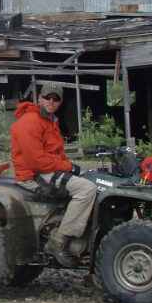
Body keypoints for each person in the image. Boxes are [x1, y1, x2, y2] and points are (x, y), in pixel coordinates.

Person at [10, 82, 97, 267]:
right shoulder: (30, 121)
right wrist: (68, 167)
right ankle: (58, 242)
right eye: (48, 97)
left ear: (60, 102)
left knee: (92, 178)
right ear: (40, 98)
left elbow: (57, 153)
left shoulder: (49, 120)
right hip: (34, 174)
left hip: (47, 169)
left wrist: (68, 166)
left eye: (56, 98)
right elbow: (37, 161)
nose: (51, 101)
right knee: (87, 189)